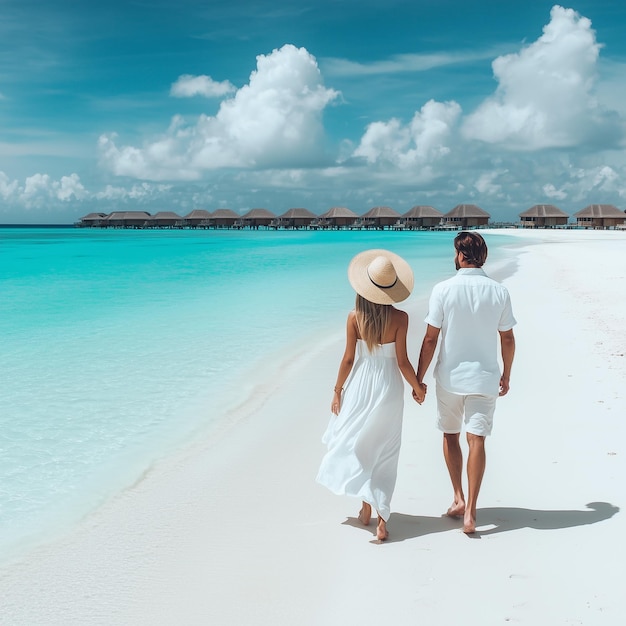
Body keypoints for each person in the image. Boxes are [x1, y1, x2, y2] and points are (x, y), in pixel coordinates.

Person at [316, 249, 426, 541]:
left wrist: (338, 391)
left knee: (361, 445)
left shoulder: (354, 317)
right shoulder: (401, 318)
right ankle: (380, 517)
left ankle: (365, 508)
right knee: (386, 451)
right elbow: (402, 362)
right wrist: (418, 388)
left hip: (361, 386)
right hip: (389, 387)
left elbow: (348, 360)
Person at [416, 231, 516, 534]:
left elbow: (431, 338)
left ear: (460, 255)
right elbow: (508, 338)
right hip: (485, 377)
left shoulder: (443, 289)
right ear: (482, 256)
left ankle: (458, 497)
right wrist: (506, 373)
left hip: (449, 378)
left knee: (450, 434)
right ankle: (471, 511)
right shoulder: (499, 291)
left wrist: (418, 378)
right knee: (478, 440)